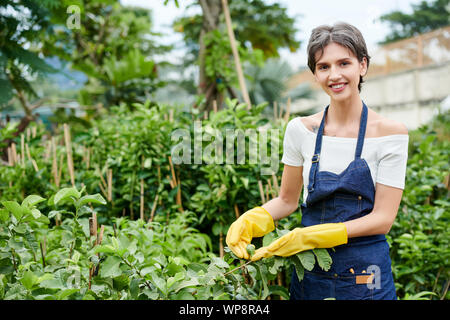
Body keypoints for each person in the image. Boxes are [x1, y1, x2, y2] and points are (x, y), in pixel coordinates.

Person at [226, 22, 409, 300]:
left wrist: (309, 236)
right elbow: (287, 200)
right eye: (323, 67)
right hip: (311, 272)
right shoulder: (300, 130)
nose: (334, 75)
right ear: (315, 74)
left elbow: (382, 219)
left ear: (363, 65)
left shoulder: (390, 133)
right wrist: (253, 218)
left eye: (344, 63)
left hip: (366, 274)